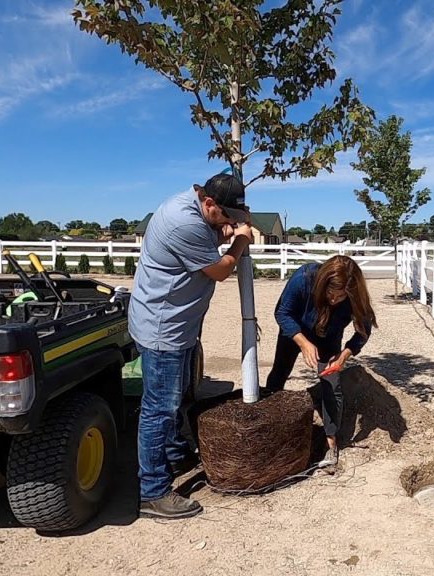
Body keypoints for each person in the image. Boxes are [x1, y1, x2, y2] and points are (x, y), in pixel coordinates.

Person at [128, 172, 253, 519]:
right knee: (159, 409)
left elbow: (210, 234)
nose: (230, 223)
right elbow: (220, 270)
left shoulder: (195, 208)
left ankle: (173, 452)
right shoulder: (183, 223)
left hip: (178, 325)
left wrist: (225, 229)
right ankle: (152, 492)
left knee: (175, 397)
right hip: (163, 329)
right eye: (226, 216)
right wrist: (240, 241)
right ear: (209, 202)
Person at [265, 255, 377, 469]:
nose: (334, 300)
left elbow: (364, 329)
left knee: (332, 384)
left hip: (329, 337)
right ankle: (269, 426)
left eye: (340, 297)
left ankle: (331, 441)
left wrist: (343, 356)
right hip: (295, 331)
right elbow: (282, 312)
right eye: (330, 293)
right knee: (279, 373)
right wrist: (303, 342)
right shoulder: (304, 278)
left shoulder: (355, 294)